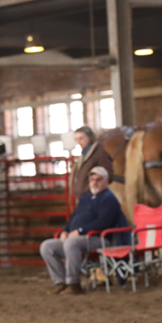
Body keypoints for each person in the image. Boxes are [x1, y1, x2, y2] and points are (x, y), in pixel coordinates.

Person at [39, 166, 128, 295]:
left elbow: (103, 223)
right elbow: (74, 217)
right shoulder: (85, 198)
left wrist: (80, 231)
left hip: (99, 239)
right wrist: (65, 231)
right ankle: (60, 282)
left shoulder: (109, 200)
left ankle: (73, 283)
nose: (94, 182)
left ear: (106, 182)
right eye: (92, 179)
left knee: (71, 243)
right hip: (78, 238)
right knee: (47, 246)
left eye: (98, 179)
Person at [69, 126, 113, 201]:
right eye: (77, 139)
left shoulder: (100, 154)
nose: (78, 142)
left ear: (90, 137)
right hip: (83, 198)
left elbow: (108, 176)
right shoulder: (84, 156)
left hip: (94, 199)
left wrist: (92, 190)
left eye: (81, 138)